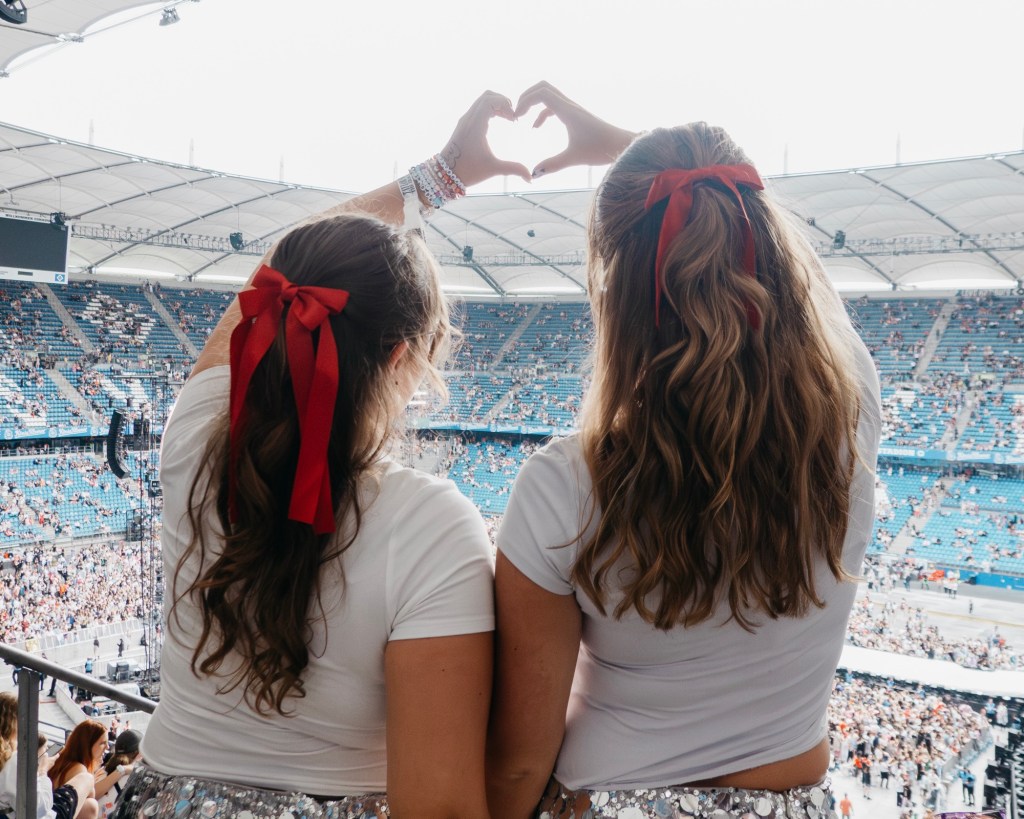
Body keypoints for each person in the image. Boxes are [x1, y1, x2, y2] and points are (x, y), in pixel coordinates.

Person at [115, 91, 529, 819]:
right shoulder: (430, 525)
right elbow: (440, 805)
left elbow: (279, 268)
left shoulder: (195, 436)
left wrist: (439, 175)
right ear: (400, 358)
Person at [486, 83, 881, 819]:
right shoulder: (852, 410)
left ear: (616, 293)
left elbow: (518, 763)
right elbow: (790, 265)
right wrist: (628, 149)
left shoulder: (563, 485)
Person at [0, 693, 97, 819]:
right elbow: (38, 808)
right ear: (15, 721)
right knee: (87, 778)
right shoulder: (14, 760)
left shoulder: (8, 757)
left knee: (90, 806)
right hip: (41, 813)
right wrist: (43, 770)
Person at [48, 721, 106, 794]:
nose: (107, 747)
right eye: (102, 743)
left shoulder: (63, 758)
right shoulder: (79, 770)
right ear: (87, 744)